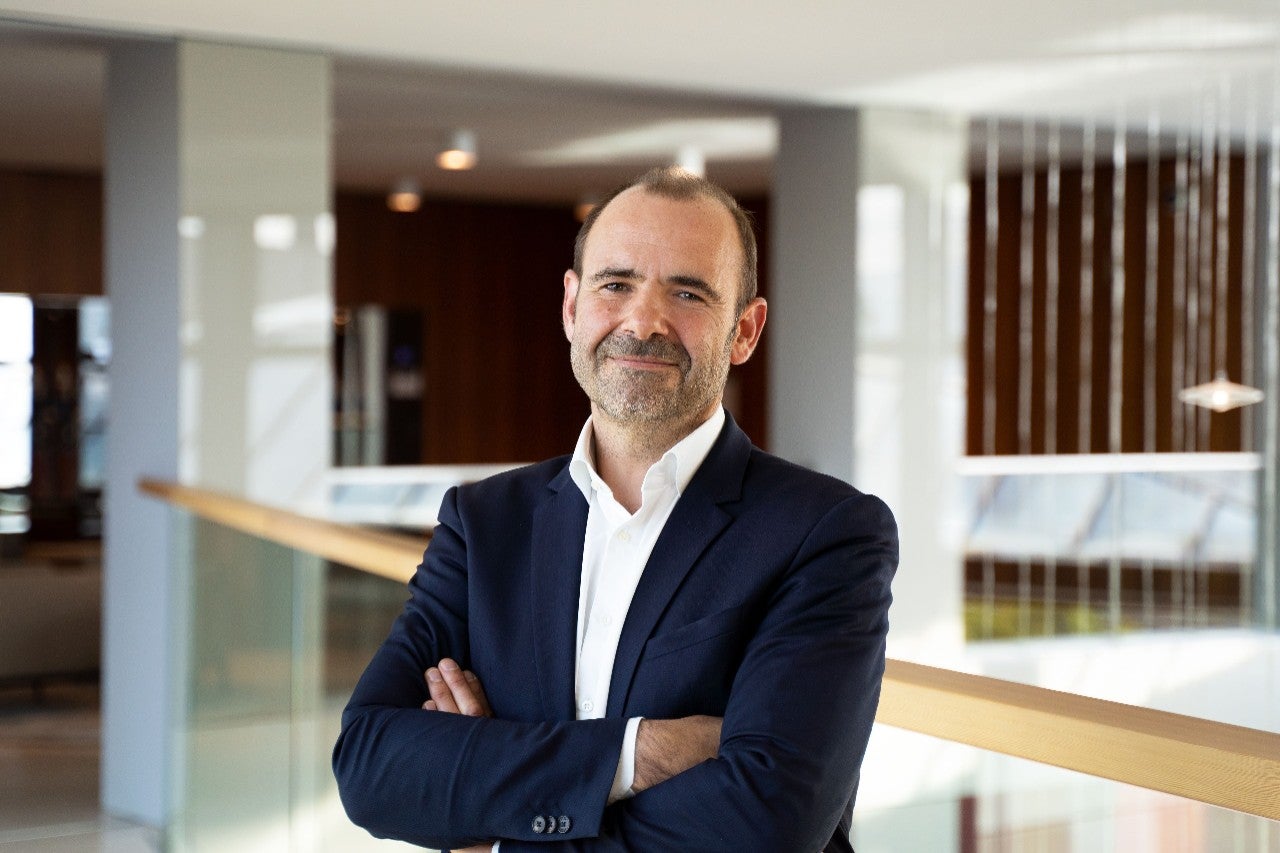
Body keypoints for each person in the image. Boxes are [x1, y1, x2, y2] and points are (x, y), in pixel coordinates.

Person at [333, 167, 898, 852]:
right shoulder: (484, 523)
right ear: (572, 306)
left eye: (687, 292)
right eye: (616, 284)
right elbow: (369, 766)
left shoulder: (827, 533)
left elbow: (766, 826)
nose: (642, 321)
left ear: (744, 331)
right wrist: (640, 752)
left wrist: (499, 815)